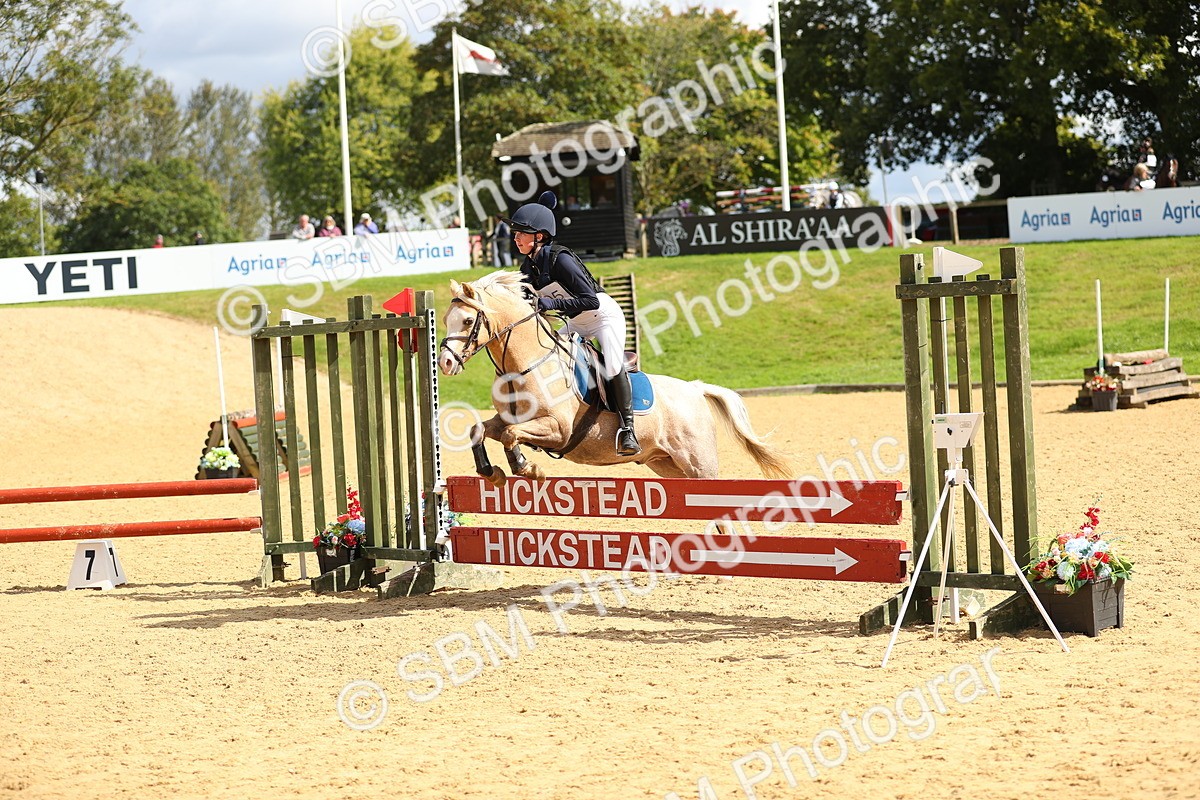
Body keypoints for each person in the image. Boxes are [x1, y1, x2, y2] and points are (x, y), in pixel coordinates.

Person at [506, 191, 640, 456]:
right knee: (548, 356)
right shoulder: (528, 267)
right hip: (577, 321)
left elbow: (591, 301)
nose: (516, 238)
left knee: (612, 364)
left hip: (603, 317)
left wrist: (551, 305)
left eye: (521, 233)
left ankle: (628, 429)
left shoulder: (561, 259)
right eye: (516, 233)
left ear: (539, 236)